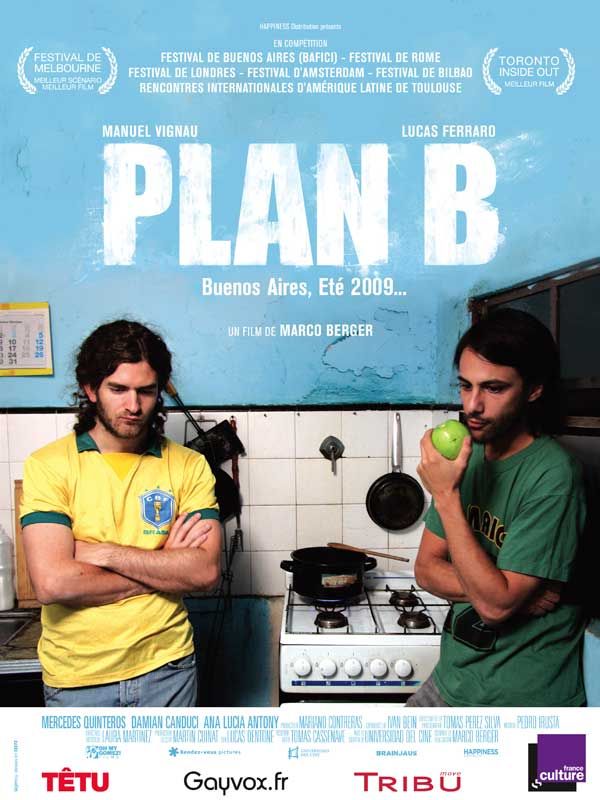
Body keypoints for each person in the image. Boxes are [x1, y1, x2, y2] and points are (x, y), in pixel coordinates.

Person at [20, 320, 221, 707]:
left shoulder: (188, 465)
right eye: (118, 389)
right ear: (90, 389)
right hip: (78, 676)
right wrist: (162, 567)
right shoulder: (48, 465)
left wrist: (105, 553)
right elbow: (52, 583)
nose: (133, 406)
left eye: (146, 391)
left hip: (168, 668)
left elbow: (204, 571)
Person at [408, 308, 586, 707]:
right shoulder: (467, 456)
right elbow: (426, 569)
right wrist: (511, 595)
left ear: (533, 389)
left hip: (521, 702)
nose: (472, 405)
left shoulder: (555, 476)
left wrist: (446, 497)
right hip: (453, 680)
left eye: (493, 388)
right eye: (465, 386)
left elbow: (494, 607)